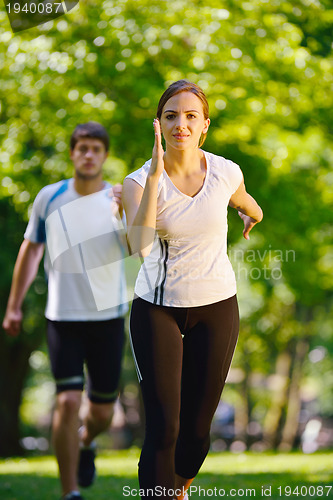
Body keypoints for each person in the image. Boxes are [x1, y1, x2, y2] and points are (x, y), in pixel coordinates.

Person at [122, 80, 263, 500]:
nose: (180, 124)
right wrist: (153, 172)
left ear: (204, 126)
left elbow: (242, 199)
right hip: (157, 310)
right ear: (159, 125)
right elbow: (139, 245)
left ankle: (179, 490)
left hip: (217, 306)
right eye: (171, 116)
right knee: (165, 425)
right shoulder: (137, 182)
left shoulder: (225, 171)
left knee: (197, 433)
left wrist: (251, 213)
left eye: (190, 116)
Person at [2, 122, 128, 500]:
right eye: (82, 148)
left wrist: (125, 212)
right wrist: (14, 306)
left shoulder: (120, 197)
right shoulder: (49, 197)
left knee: (102, 412)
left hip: (108, 318)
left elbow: (136, 248)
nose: (88, 155)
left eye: (96, 149)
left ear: (105, 156)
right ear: (72, 153)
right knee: (68, 400)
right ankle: (69, 491)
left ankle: (86, 440)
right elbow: (31, 250)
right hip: (63, 318)